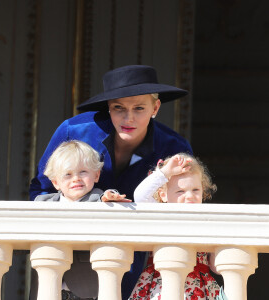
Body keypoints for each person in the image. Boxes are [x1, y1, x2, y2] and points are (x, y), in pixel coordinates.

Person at [29, 64, 193, 299]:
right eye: (119, 108)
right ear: (108, 107)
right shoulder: (73, 131)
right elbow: (41, 188)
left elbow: (184, 205)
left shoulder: (174, 148)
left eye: (139, 108)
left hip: (139, 258)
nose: (129, 118)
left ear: (155, 107)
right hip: (65, 253)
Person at [30, 140, 129, 300]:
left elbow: (106, 197)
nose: (76, 179)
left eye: (83, 172)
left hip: (86, 289)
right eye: (68, 174)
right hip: (48, 287)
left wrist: (110, 198)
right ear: (55, 182)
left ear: (96, 175)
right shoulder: (42, 203)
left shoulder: (98, 199)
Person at [129, 153, 222, 300]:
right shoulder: (162, 217)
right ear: (164, 195)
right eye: (180, 191)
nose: (190, 196)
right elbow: (140, 196)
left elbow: (216, 267)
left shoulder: (206, 222)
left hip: (200, 287)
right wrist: (165, 173)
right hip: (162, 285)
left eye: (196, 190)